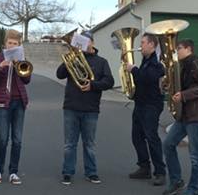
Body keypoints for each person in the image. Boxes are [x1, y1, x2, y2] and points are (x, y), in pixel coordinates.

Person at [55, 31, 115, 185]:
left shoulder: (102, 62)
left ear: (92, 43)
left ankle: (91, 172)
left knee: (89, 144)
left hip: (91, 108)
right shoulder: (73, 58)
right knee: (70, 144)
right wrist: (71, 56)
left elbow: (109, 82)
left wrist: (92, 85)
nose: (84, 43)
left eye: (86, 41)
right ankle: (67, 172)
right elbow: (59, 74)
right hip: (71, 106)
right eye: (81, 41)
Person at [162, 39, 198, 195]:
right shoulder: (181, 66)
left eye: (179, 48)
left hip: (195, 115)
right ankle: (176, 181)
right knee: (168, 144)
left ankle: (194, 190)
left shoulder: (197, 63)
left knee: (195, 155)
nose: (176, 51)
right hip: (183, 115)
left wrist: (184, 95)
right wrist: (167, 85)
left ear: (189, 48)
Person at [0, 29, 31, 185]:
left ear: (19, 45)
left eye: (15, 43)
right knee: (3, 138)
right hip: (3, 103)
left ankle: (13, 172)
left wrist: (19, 65)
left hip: (19, 102)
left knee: (17, 140)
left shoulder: (22, 59)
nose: (12, 45)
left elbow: (27, 80)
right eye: (10, 43)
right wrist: (1, 67)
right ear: (5, 43)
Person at [129, 32, 167, 186]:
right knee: (136, 136)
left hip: (151, 105)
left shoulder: (157, 62)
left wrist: (133, 70)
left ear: (152, 45)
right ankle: (144, 167)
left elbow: (148, 78)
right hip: (140, 104)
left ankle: (160, 172)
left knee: (151, 137)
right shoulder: (145, 61)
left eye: (143, 43)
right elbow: (141, 81)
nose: (140, 46)